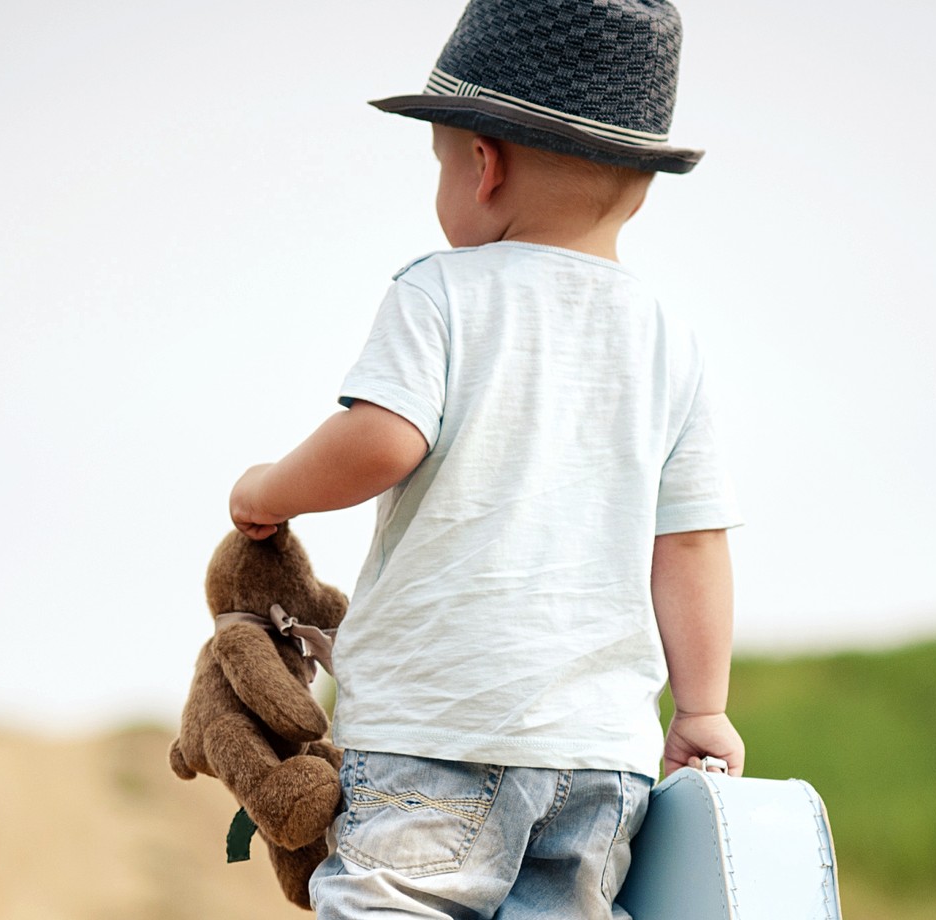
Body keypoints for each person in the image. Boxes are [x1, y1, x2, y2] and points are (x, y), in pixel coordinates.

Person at [227, 1, 742, 916]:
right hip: (598, 759)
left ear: (482, 165)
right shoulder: (672, 336)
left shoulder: (442, 292)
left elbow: (384, 439)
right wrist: (700, 710)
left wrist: (271, 488)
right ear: (642, 180)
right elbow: (693, 542)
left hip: (437, 737)